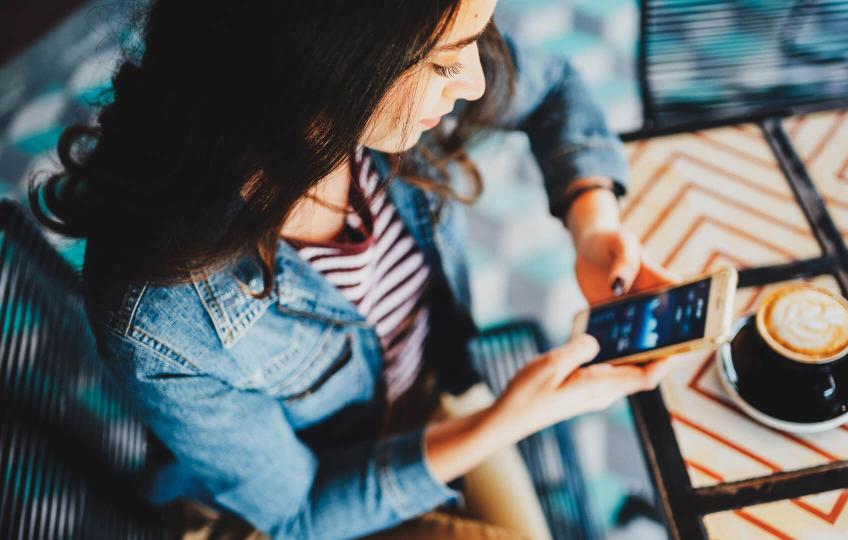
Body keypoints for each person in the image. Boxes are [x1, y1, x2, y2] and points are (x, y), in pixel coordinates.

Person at [30, 0, 679, 538]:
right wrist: (502, 421)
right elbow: (297, 513)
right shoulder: (164, 311)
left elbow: (552, 85)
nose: (474, 83)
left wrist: (591, 222)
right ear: (328, 61)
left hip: (429, 399)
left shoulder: (373, 108)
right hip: (315, 503)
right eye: (444, 62)